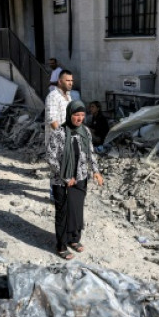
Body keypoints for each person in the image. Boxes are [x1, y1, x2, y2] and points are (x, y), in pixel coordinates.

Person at [46, 100, 103, 259]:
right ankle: (61, 245)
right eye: (76, 115)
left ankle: (74, 239)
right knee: (63, 212)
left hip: (80, 177)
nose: (79, 118)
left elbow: (90, 153)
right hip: (61, 181)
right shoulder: (59, 132)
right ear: (69, 114)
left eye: (82, 115)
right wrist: (65, 177)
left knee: (77, 210)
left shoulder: (85, 131)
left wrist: (96, 171)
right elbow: (50, 157)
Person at [44, 69, 73, 146]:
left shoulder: (69, 96)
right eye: (67, 80)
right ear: (60, 82)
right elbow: (52, 120)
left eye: (71, 80)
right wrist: (63, 138)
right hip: (56, 143)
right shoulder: (53, 96)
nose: (71, 83)